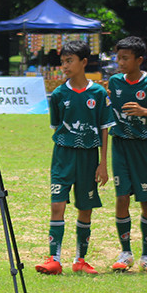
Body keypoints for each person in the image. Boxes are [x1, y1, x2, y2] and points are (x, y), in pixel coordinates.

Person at [35, 39, 114, 275]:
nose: (65, 66)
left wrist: (103, 164)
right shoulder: (58, 94)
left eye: (70, 61)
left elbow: (104, 128)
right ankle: (54, 259)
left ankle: (80, 259)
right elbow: (57, 125)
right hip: (63, 156)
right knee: (57, 205)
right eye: (62, 62)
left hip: (89, 158)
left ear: (84, 62)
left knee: (85, 208)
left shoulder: (98, 93)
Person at [106, 36, 147, 272]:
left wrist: (144, 111)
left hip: (143, 148)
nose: (119, 62)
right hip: (120, 146)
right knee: (122, 197)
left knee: (146, 200)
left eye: (125, 58)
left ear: (139, 60)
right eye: (118, 57)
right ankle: (125, 252)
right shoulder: (113, 82)